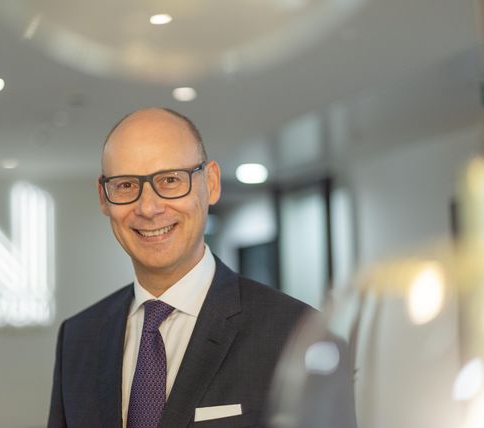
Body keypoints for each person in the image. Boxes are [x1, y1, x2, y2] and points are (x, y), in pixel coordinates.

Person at [47, 107, 309, 428]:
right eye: (126, 185)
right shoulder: (78, 338)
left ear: (211, 182)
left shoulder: (295, 333)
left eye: (170, 180)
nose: (148, 208)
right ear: (104, 197)